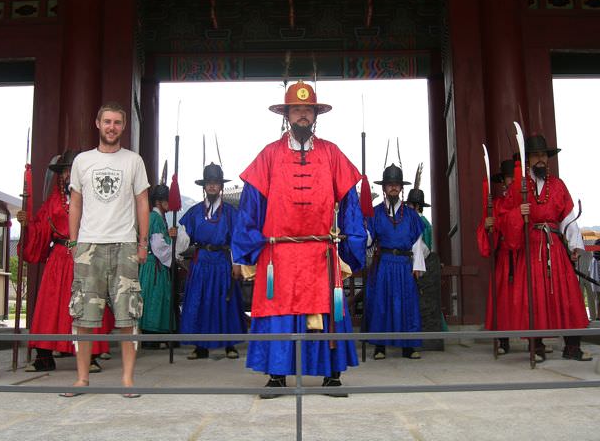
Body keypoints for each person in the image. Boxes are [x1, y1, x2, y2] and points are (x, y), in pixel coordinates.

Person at [232, 81, 366, 398]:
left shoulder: (332, 154)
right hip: (277, 255)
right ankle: (277, 375)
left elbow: (349, 205)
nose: (303, 115)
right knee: (278, 312)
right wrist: (247, 250)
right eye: (297, 110)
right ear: (287, 114)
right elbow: (249, 208)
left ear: (316, 115)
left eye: (308, 110)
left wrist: (351, 245)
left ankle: (331, 375)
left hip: (321, 253)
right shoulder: (268, 155)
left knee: (329, 309)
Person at [65, 101, 150, 397]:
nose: (112, 127)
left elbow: (142, 202)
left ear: (123, 127)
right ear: (97, 124)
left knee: (128, 317)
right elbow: (75, 203)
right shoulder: (82, 162)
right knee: (84, 317)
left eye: (117, 122)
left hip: (125, 243)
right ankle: (82, 379)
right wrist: (74, 242)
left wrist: (142, 243)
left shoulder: (133, 161)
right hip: (89, 244)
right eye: (107, 122)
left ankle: (127, 379)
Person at [17, 150, 111, 373]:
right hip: (58, 259)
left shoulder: (95, 200)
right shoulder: (52, 203)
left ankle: (89, 357)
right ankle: (44, 356)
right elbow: (41, 229)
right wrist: (28, 224)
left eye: (73, 170)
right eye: (65, 171)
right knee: (51, 306)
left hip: (85, 257)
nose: (69, 175)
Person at [508, 134, 591, 362]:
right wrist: (519, 213)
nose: (540, 160)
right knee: (533, 296)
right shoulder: (519, 186)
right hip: (531, 246)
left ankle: (572, 346)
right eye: (535, 156)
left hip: (554, 246)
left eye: (543, 155)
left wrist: (574, 245)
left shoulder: (558, 185)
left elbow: (568, 217)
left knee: (568, 295)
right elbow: (506, 216)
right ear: (528, 160)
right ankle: (538, 346)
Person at [178, 163, 246, 360]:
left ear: (221, 186)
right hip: (201, 262)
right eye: (209, 183)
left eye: (216, 183)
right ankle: (200, 346)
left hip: (223, 261)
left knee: (225, 302)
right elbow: (185, 236)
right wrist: (175, 234)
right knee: (200, 302)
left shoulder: (231, 213)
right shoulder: (195, 211)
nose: (212, 187)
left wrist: (237, 263)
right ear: (204, 187)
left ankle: (230, 344)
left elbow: (237, 239)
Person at [366, 164, 426, 360]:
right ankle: (380, 346)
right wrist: (360, 224)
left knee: (407, 303)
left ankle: (409, 346)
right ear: (384, 188)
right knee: (381, 303)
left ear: (401, 188)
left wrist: (417, 266)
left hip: (404, 264)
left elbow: (417, 243)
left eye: (396, 184)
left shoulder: (410, 215)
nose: (393, 188)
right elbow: (368, 240)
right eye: (389, 184)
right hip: (383, 263)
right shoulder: (374, 213)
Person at [476, 159, 518, 355]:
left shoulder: (525, 201)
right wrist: (488, 226)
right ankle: (503, 340)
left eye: (513, 177)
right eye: (508, 177)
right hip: (504, 257)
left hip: (524, 256)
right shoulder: (498, 203)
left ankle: (538, 339)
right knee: (502, 300)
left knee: (526, 298)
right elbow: (490, 237)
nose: (510, 181)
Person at [139, 183, 177, 349]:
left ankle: (154, 336)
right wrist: (172, 240)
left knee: (156, 298)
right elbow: (158, 246)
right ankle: (151, 337)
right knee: (154, 299)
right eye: (167, 201)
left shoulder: (155, 217)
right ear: (159, 202)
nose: (169, 205)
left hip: (154, 264)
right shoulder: (155, 218)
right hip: (154, 264)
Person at [406, 182, 443, 351]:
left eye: (409, 205)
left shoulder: (419, 222)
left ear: (415, 206)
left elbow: (424, 248)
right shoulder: (425, 222)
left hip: (420, 265)